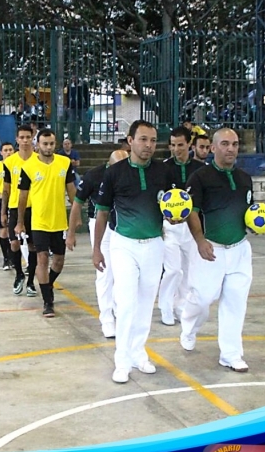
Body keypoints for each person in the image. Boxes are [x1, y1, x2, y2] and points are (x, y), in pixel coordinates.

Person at [93, 120, 171, 383]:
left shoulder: (163, 172)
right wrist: (96, 249)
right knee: (126, 303)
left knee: (146, 303)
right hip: (123, 244)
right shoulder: (114, 173)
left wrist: (177, 217)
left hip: (154, 244)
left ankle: (139, 353)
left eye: (153, 140)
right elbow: (102, 212)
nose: (149, 145)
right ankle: (122, 361)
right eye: (143, 139)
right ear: (130, 141)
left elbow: (173, 206)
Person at [180, 128, 253, 373]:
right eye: (224, 144)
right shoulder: (200, 177)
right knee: (201, 300)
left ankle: (231, 354)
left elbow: (247, 211)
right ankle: (188, 327)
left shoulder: (245, 178)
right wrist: (200, 240)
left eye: (234, 144)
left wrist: (254, 224)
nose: (231, 148)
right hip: (210, 249)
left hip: (240, 249)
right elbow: (191, 211)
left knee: (235, 303)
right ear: (213, 148)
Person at [66, 149, 129, 338]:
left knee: (123, 271)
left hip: (124, 224)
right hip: (101, 225)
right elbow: (77, 203)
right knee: (105, 272)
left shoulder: (130, 173)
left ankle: (120, 310)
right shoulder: (94, 176)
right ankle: (107, 318)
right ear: (110, 165)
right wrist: (71, 233)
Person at [16, 130, 76, 318]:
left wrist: (75, 218)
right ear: (38, 145)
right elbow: (23, 197)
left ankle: (47, 284)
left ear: (55, 144)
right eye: (44, 144)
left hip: (59, 222)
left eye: (51, 143)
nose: (48, 147)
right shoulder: (29, 167)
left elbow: (72, 191)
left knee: (58, 261)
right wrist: (20, 222)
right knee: (42, 259)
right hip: (39, 222)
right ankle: (47, 301)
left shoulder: (65, 164)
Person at [158, 126, 205, 326]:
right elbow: (158, 195)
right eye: (173, 145)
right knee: (173, 270)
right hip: (170, 226)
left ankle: (181, 305)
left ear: (189, 145)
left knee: (189, 269)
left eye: (180, 145)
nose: (176, 149)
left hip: (192, 227)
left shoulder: (200, 168)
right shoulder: (163, 167)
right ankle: (165, 307)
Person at [1, 124, 38, 297]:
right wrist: (3, 211)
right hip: (15, 207)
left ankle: (31, 282)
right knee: (14, 243)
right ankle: (19, 275)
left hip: (35, 207)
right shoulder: (9, 162)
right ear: (17, 139)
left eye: (27, 137)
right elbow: (6, 189)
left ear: (32, 138)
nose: (24, 141)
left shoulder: (39, 160)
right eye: (21, 137)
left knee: (33, 245)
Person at [66, 75, 89, 143]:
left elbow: (86, 95)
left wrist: (87, 105)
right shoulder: (70, 85)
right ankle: (72, 138)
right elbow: (68, 96)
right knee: (72, 123)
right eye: (72, 78)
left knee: (84, 122)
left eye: (75, 77)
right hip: (73, 106)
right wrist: (68, 105)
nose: (74, 79)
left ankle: (85, 138)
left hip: (81, 106)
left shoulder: (83, 85)